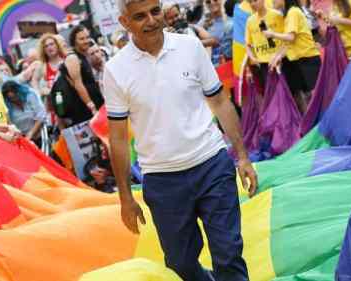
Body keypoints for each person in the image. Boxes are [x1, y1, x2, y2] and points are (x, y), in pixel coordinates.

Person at [104, 0, 258, 280]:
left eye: (155, 11)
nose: (151, 20)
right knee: (181, 264)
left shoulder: (190, 47)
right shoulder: (115, 70)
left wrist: (243, 156)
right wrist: (125, 197)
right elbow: (117, 139)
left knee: (228, 253)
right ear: (125, 23)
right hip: (163, 181)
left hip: (211, 164)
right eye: (139, 16)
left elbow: (221, 102)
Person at [266, 0, 322, 114]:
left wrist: (272, 34)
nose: (272, 1)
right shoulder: (288, 15)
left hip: (309, 60)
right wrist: (277, 57)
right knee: (310, 100)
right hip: (301, 61)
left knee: (317, 100)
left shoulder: (293, 12)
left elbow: (290, 37)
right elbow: (289, 43)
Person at [245, 0, 285, 88]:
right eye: (250, 2)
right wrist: (253, 58)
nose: (252, 4)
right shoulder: (250, 21)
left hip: (281, 60)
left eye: (255, 0)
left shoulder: (277, 15)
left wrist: (280, 55)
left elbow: (286, 40)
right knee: (273, 95)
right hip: (263, 65)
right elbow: (247, 45)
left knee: (291, 93)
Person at [1, 81, 47, 145]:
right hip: (22, 138)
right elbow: (11, 125)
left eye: (15, 96)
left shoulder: (30, 96)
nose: (15, 100)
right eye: (11, 99)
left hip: (39, 135)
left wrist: (31, 133)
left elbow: (41, 116)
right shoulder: (8, 106)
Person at [203, 0, 234, 66]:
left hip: (229, 63)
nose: (212, 2)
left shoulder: (231, 18)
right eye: (208, 1)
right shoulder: (204, 24)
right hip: (213, 66)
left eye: (215, 0)